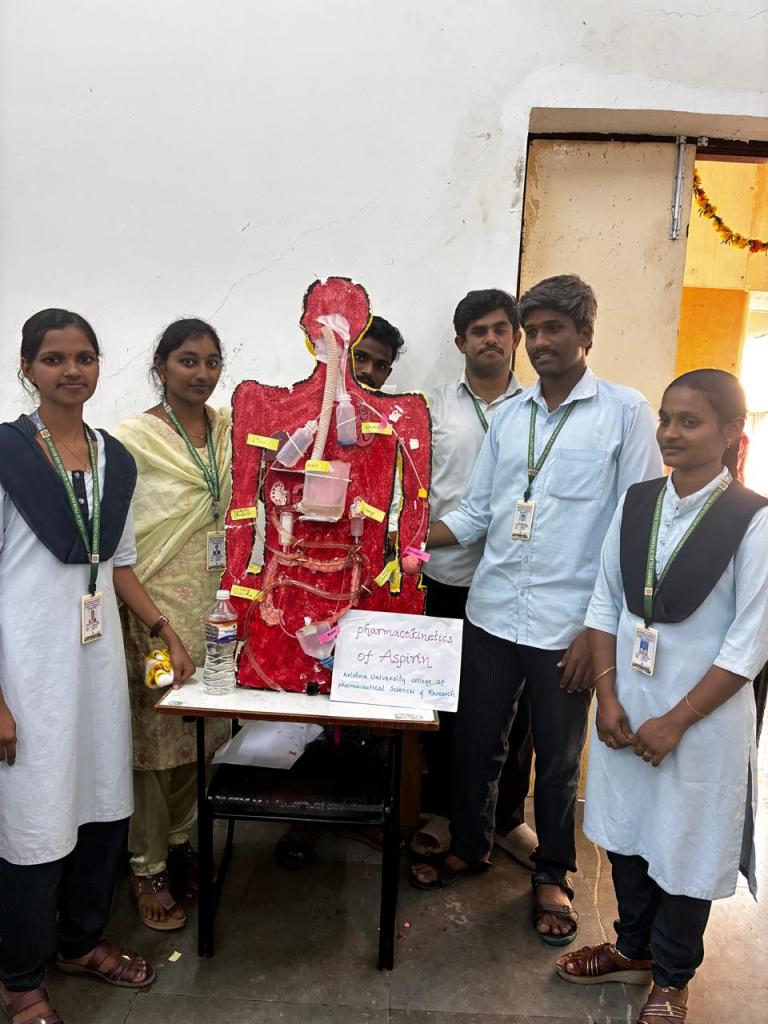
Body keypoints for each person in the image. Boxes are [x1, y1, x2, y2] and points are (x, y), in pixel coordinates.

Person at [411, 275, 662, 948]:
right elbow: (477, 513)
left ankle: (553, 872)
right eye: (537, 329)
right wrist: (405, 543)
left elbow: (634, 530)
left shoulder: (624, 413)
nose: (542, 341)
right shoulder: (511, 418)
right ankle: (470, 844)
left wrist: (595, 632)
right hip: (491, 612)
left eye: (556, 328)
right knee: (475, 740)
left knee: (555, 758)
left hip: (567, 628)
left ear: (585, 334)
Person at [0, 309, 195, 1024]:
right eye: (53, 359)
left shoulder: (114, 457)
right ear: (27, 368)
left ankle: (80, 941)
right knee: (33, 819)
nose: (71, 370)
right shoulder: (8, 454)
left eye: (84, 357)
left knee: (103, 804)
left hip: (96, 665)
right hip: (26, 671)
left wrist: (165, 630)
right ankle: (20, 978)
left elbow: (118, 564)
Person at [556, 370, 768, 1024]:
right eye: (666, 419)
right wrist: (607, 695)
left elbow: (749, 643)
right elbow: (604, 604)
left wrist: (677, 721)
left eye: (690, 422)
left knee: (685, 843)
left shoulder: (753, 520)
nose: (670, 433)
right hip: (627, 704)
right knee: (626, 830)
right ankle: (633, 947)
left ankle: (673, 978)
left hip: (701, 720)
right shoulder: (639, 502)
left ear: (731, 432)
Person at [274, 314, 406, 870]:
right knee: (316, 711)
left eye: (381, 365)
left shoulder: (394, 426)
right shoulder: (305, 421)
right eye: (362, 358)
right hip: (313, 581)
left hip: (374, 580)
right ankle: (305, 820)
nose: (370, 371)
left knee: (371, 715)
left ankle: (364, 813)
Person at [413, 288, 537, 868]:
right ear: (460, 342)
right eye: (478, 331)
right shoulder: (432, 409)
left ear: (516, 337)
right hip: (445, 577)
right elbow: (416, 489)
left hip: (517, 582)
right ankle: (444, 811)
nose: (490, 338)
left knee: (517, 715)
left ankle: (507, 817)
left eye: (500, 328)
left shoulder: (540, 411)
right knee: (443, 704)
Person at [116, 318, 232, 931]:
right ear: (160, 366)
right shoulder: (131, 439)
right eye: (188, 360)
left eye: (212, 362)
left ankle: (183, 841)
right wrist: (159, 625)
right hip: (155, 615)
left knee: (202, 737)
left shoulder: (229, 431)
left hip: (217, 612)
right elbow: (116, 546)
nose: (201, 373)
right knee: (156, 744)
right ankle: (147, 864)